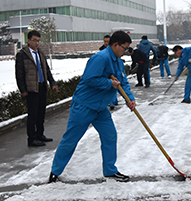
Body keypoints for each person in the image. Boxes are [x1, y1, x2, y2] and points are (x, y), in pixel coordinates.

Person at [49, 31, 137, 183]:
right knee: (71, 139)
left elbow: (123, 83)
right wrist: (110, 83)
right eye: (125, 48)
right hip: (84, 106)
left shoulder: (118, 62)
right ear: (115, 45)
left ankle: (110, 171)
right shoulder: (100, 58)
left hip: (101, 108)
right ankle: (55, 172)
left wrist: (130, 99)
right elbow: (90, 79)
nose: (126, 52)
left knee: (110, 136)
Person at [16, 30, 59, 147]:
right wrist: (23, 90)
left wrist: (52, 82)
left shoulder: (40, 53)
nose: (37, 43)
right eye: (34, 40)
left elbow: (47, 70)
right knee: (33, 115)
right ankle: (32, 138)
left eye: (38, 41)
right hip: (31, 89)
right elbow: (19, 74)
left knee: (41, 113)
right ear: (29, 40)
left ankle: (40, 135)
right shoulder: (22, 55)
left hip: (42, 87)